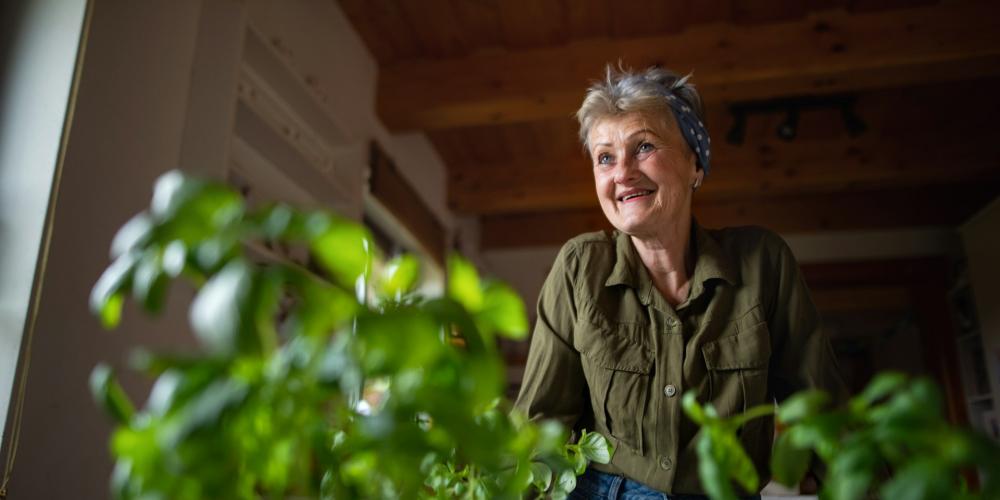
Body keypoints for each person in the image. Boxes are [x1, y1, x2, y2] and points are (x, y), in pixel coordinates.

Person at [513, 65, 847, 499]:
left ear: (695, 164)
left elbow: (823, 410)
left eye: (644, 146)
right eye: (605, 157)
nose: (622, 173)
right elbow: (538, 427)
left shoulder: (762, 263)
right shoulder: (580, 267)